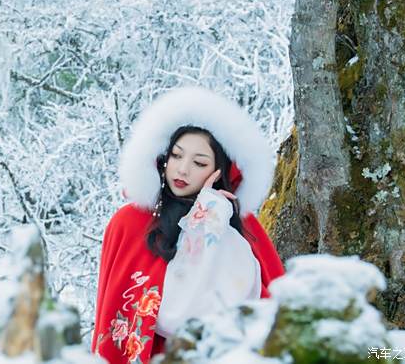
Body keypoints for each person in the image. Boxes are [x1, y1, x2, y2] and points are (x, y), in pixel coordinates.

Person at [91, 86, 285, 364]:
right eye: (177, 156)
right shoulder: (131, 222)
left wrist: (211, 218)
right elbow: (162, 313)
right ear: (163, 157)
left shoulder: (240, 225)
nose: (182, 170)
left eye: (199, 162)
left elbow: (254, 304)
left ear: (219, 172)